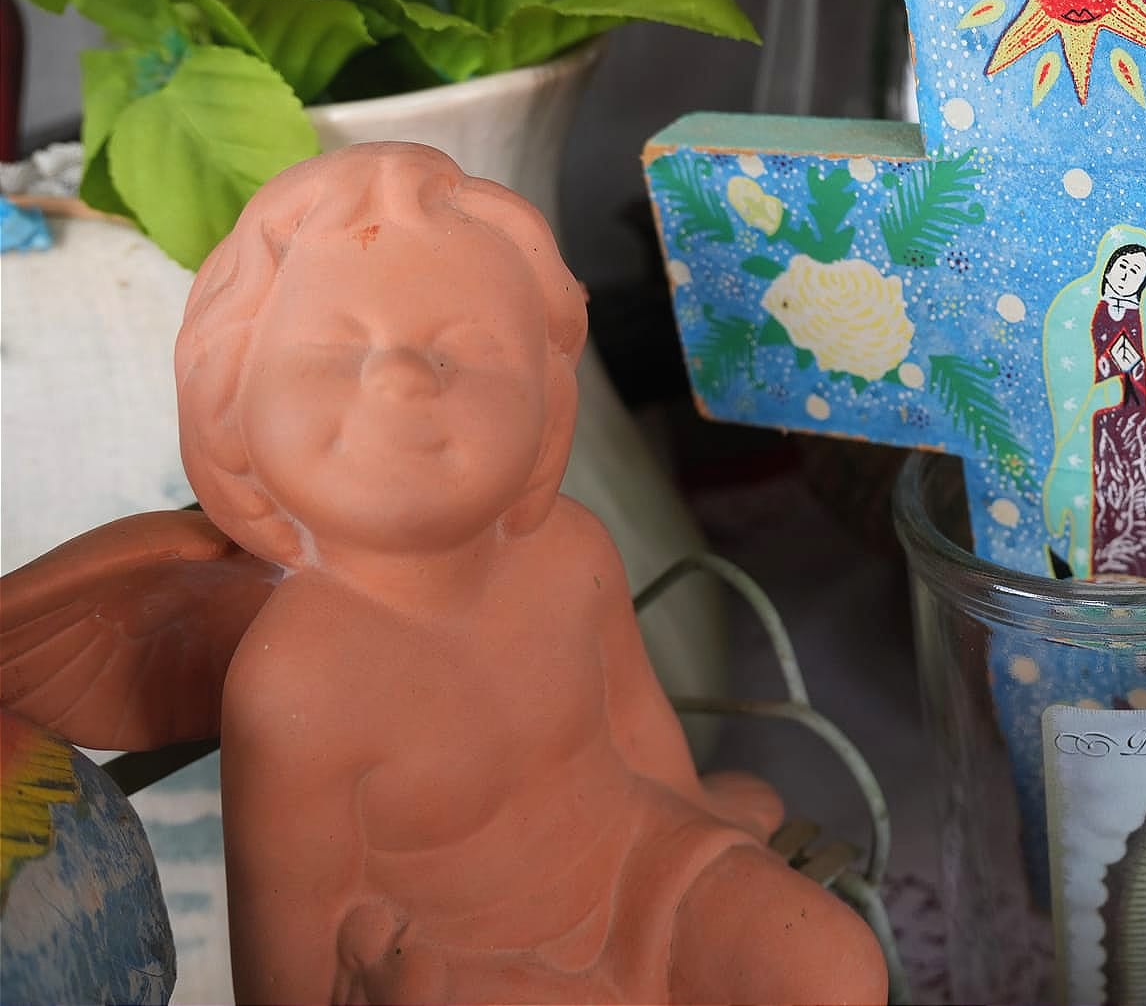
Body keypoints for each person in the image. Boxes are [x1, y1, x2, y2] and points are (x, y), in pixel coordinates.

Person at [1, 144, 886, 1005]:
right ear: (230, 408)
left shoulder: (573, 553)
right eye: (335, 349)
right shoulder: (298, 676)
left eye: (467, 346)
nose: (402, 377)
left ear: (548, 404)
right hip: (459, 958)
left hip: (636, 866)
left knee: (832, 964)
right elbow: (288, 931)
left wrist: (697, 814)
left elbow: (634, 723)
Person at [1042, 225, 1146, 581]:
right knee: (1104, 488)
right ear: (1108, 269)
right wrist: (1107, 369)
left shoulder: (1144, 320)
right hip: (1101, 420)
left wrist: (1133, 367)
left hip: (1135, 420)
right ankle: (1101, 564)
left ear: (1144, 283)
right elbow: (1078, 367)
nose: (1126, 276)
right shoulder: (1089, 312)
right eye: (1122, 267)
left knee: (1137, 488)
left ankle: (1143, 565)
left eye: (1135, 272)